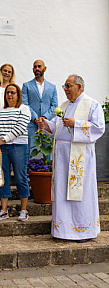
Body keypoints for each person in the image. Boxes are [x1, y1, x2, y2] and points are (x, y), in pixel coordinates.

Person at [38, 74, 105, 242]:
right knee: (62, 192)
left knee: (79, 193)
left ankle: (82, 231)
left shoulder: (92, 104)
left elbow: (99, 128)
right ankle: (64, 231)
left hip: (80, 159)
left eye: (68, 86)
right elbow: (57, 126)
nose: (65, 90)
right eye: (64, 87)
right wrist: (45, 125)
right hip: (62, 157)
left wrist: (77, 123)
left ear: (79, 87)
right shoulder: (64, 105)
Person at [0, 84, 31, 221]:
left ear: (18, 95)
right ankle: (3, 211)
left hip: (19, 147)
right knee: (3, 179)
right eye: (8, 92)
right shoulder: (0, 111)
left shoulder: (24, 109)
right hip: (2, 148)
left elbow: (20, 128)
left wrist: (2, 141)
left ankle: (24, 210)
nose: (10, 95)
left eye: (13, 92)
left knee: (20, 177)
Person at [22, 59, 58, 152]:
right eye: (35, 67)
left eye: (39, 66)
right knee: (31, 151)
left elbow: (54, 106)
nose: (37, 68)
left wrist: (45, 118)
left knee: (48, 152)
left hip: (47, 124)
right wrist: (35, 118)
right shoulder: (26, 86)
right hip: (32, 124)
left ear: (45, 68)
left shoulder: (52, 87)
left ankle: (48, 167)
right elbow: (25, 104)